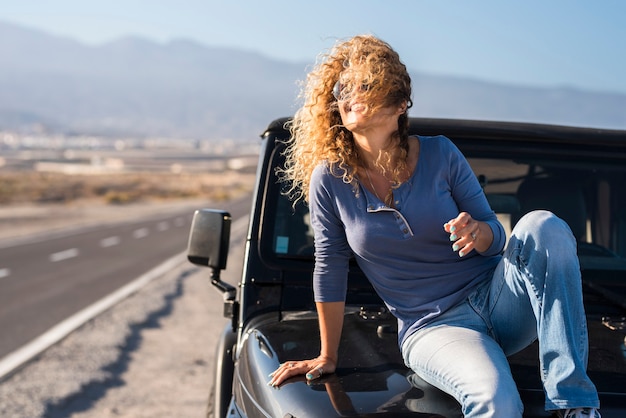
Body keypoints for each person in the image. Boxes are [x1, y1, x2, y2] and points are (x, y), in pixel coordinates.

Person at [268, 34, 600, 418]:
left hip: (498, 298)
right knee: (496, 401)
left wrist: (480, 232)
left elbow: (495, 236)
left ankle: (574, 404)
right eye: (343, 88)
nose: (349, 95)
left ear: (398, 104)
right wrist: (327, 355)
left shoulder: (441, 153)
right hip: (433, 328)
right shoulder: (330, 180)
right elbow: (329, 265)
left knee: (544, 225)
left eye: (365, 85)